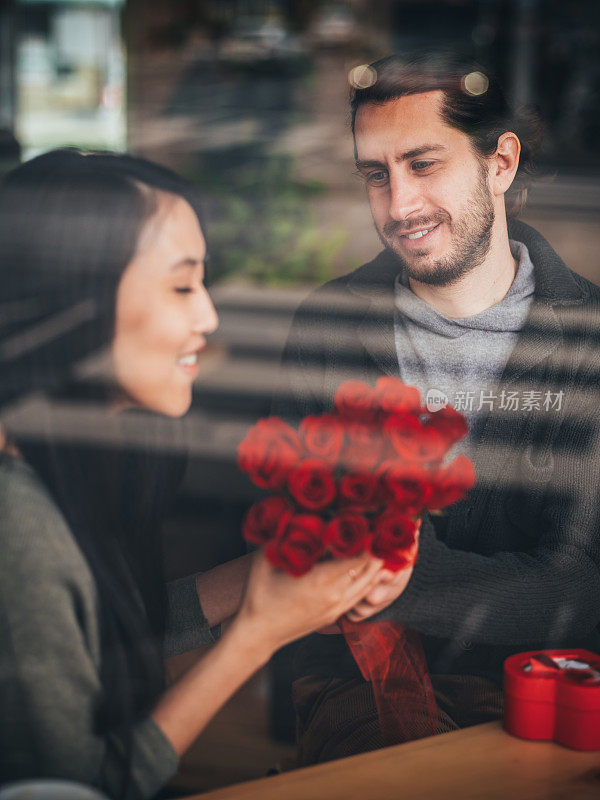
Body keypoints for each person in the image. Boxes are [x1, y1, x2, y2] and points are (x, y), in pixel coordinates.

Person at [0, 149, 385, 798]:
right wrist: (257, 635)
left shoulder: (61, 459)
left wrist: (254, 581)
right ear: (76, 299)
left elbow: (89, 634)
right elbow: (79, 787)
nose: (207, 317)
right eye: (182, 286)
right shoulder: (18, 522)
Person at [272, 54, 600, 764]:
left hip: (552, 715)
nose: (399, 206)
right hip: (356, 712)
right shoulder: (326, 324)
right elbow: (292, 548)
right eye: (375, 174)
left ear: (500, 163)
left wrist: (393, 575)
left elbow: (582, 585)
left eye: (423, 164)